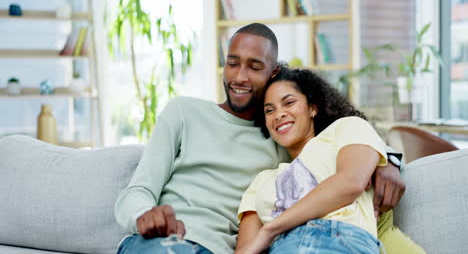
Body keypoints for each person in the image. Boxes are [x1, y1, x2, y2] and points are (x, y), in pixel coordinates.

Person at [114, 23, 408, 254]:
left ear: (273, 72)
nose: (240, 77)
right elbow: (137, 190)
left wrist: (387, 161)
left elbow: (337, 147)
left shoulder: (280, 140)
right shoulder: (183, 112)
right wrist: (145, 215)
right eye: (232, 63)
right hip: (162, 241)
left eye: (254, 67)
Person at [236, 67, 390, 253]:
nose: (279, 114)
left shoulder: (346, 128)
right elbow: (246, 249)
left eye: (289, 103)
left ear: (312, 107)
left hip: (340, 240)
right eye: (269, 110)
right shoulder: (262, 181)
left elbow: (351, 183)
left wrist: (270, 229)